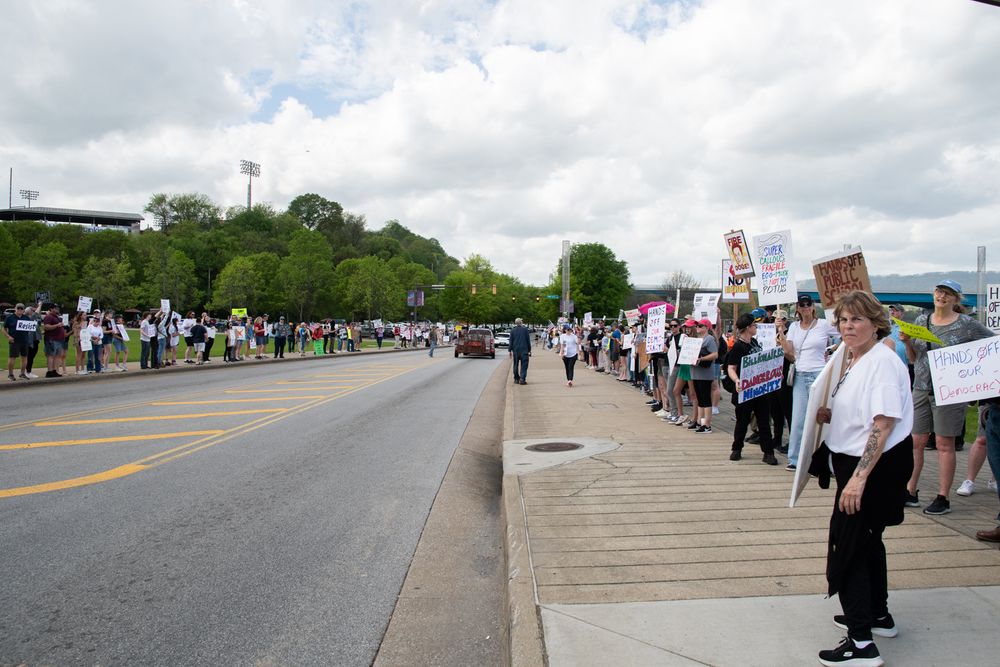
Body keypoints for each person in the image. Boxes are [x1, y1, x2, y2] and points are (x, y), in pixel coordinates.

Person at [813, 290, 913, 667]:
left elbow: (883, 425)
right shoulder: (856, 358)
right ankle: (876, 615)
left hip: (872, 468)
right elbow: (860, 410)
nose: (848, 326)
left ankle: (860, 643)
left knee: (850, 548)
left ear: (875, 322)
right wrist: (830, 415)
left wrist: (858, 480)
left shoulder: (882, 362)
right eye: (843, 320)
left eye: (856, 319)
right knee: (869, 542)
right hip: (858, 463)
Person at [903, 280, 995, 515]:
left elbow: (991, 345)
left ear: (956, 299)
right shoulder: (922, 320)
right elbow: (914, 360)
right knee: (916, 442)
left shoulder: (967, 324)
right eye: (939, 292)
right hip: (922, 387)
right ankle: (910, 490)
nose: (941, 296)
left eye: (947, 294)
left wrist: (976, 380)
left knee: (945, 443)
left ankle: (942, 497)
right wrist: (906, 343)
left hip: (950, 391)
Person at [782, 294, 837, 471]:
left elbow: (844, 334)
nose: (805, 307)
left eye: (808, 304)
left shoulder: (823, 324)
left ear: (813, 306)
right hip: (799, 374)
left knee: (822, 418)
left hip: (819, 373)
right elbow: (790, 354)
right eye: (802, 305)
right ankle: (795, 458)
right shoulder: (794, 327)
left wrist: (833, 350)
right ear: (797, 308)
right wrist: (781, 334)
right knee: (798, 419)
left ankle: (825, 461)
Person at [726, 313, 777, 465]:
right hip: (744, 389)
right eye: (754, 325)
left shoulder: (754, 342)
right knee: (742, 421)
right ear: (748, 328)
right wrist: (737, 380)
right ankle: (737, 449)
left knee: (763, 421)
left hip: (759, 389)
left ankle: (768, 452)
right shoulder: (738, 347)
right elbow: (731, 367)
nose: (756, 327)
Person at [689, 319, 718, 433]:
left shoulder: (709, 339)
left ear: (707, 327)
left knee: (705, 399)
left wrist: (701, 359)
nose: (698, 327)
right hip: (696, 372)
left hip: (705, 373)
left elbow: (715, 354)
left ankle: (707, 424)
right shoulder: (697, 340)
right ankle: (701, 422)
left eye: (701, 326)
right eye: (697, 326)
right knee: (700, 399)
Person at [5, 303, 30, 381]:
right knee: (12, 357)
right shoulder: (10, 318)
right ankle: (10, 374)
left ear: (23, 310)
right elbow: (4, 328)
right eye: (18, 308)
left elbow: (30, 328)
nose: (20, 310)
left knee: (24, 357)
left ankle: (22, 373)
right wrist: (8, 336)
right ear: (15, 308)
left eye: (21, 308)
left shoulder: (26, 318)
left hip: (25, 340)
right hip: (14, 341)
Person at [41, 304, 66, 378]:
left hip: (59, 339)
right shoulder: (49, 317)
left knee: (57, 356)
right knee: (51, 355)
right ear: (51, 309)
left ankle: (54, 370)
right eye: (55, 308)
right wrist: (57, 325)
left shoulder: (57, 317)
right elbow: (46, 327)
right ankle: (50, 371)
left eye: (57, 308)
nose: (57, 309)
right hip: (51, 339)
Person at [509, 317, 531, 384]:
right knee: (524, 365)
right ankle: (522, 379)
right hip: (524, 350)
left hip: (515, 350)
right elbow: (528, 341)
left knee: (515, 365)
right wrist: (529, 349)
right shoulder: (525, 330)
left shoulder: (512, 330)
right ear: (521, 322)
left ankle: (516, 379)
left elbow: (511, 341)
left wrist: (510, 350)